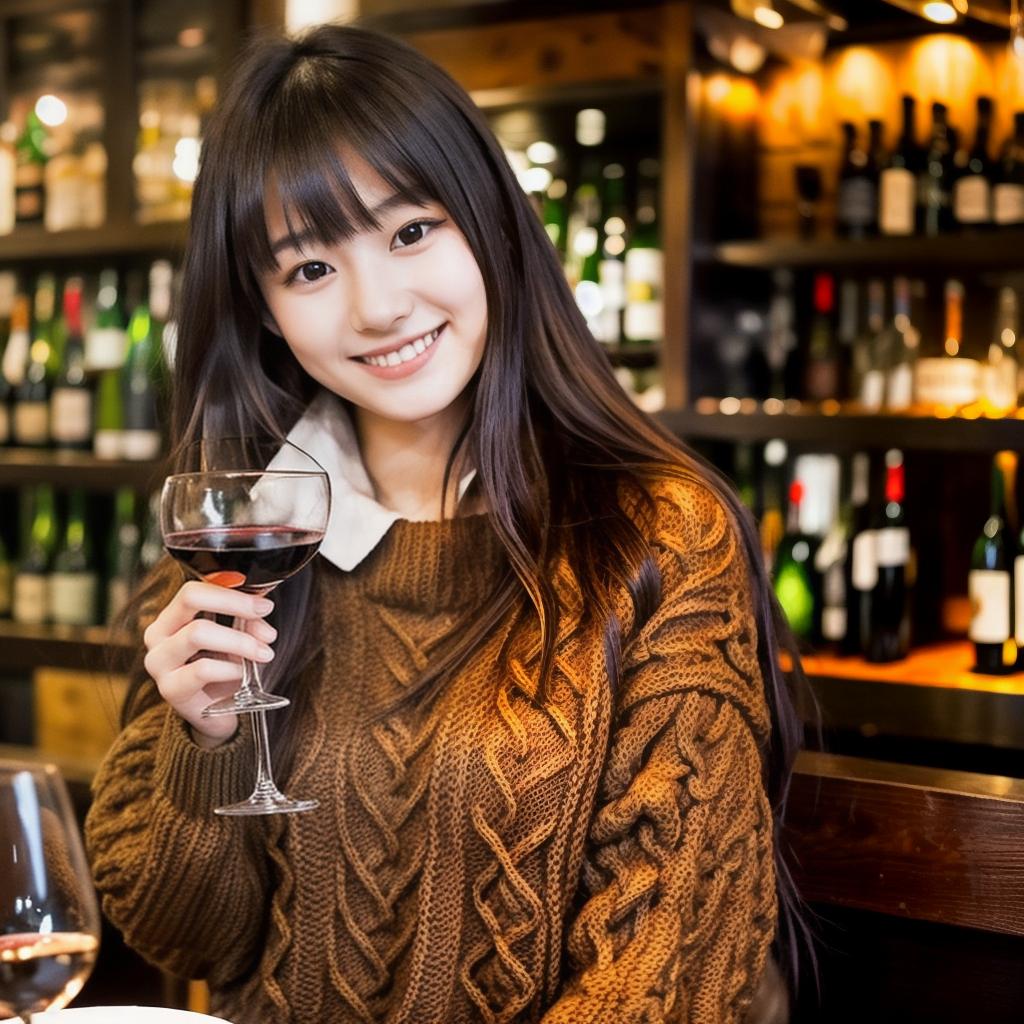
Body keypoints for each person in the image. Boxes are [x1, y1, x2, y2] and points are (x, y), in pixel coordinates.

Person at [85, 22, 813, 1024]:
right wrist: (202, 740)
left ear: (489, 223)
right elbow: (187, 942)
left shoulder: (659, 535)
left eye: (410, 231)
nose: (378, 305)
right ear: (261, 310)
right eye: (308, 269)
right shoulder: (249, 538)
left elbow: (666, 970)